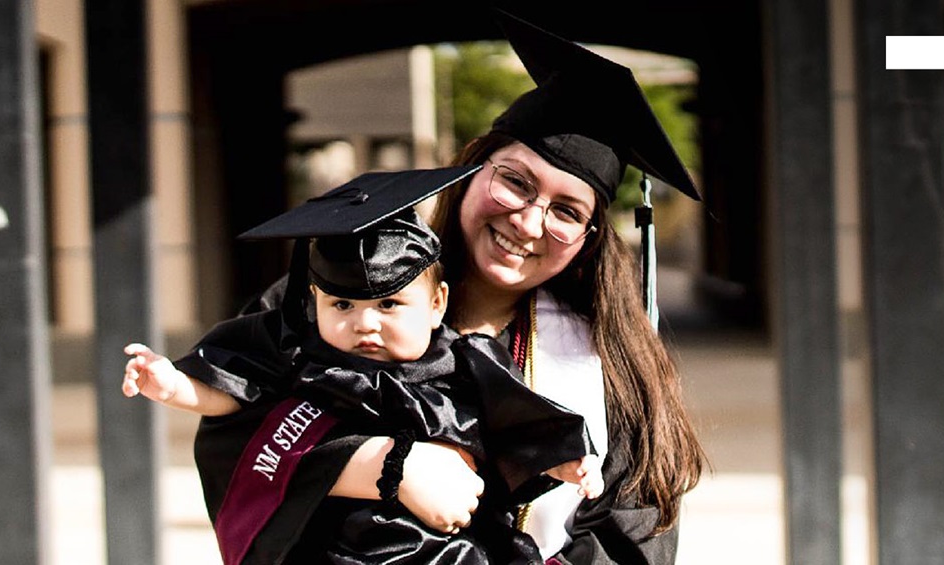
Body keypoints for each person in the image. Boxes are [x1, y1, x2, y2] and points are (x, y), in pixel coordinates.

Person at [182, 10, 706, 565]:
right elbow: (237, 434)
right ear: (472, 168)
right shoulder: (339, 288)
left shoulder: (611, 366)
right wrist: (383, 465)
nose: (528, 223)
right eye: (515, 181)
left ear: (589, 238)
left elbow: (634, 538)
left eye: (567, 211)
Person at [125, 167, 604, 564]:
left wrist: (569, 460)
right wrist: (172, 385)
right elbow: (233, 391)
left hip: (444, 550)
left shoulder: (465, 361)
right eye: (342, 306)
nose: (364, 324)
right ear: (314, 302)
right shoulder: (303, 356)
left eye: (390, 305)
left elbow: (522, 424)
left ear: (437, 304)